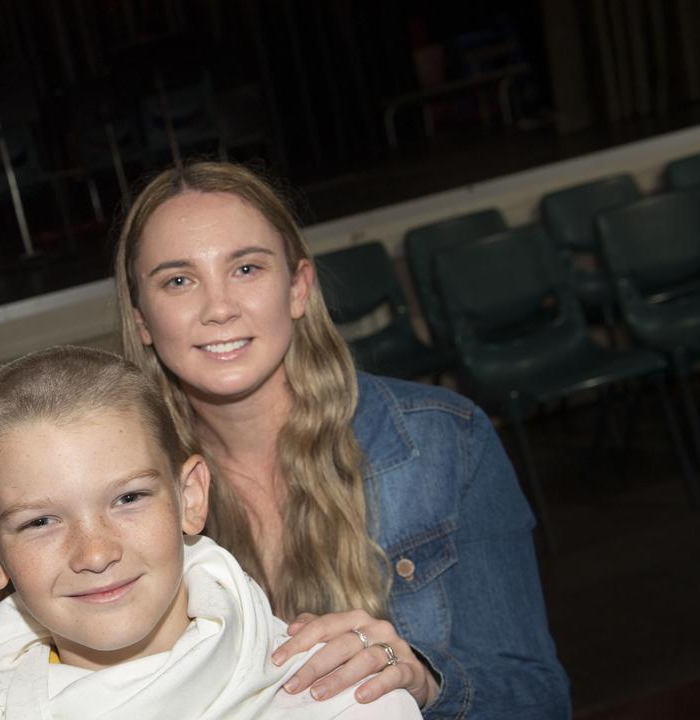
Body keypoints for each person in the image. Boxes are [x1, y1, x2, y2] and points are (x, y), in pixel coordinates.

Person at [112, 161, 571, 719]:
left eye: (247, 268)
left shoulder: (445, 440)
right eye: (179, 281)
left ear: (298, 288)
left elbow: (540, 701)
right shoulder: (118, 492)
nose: (219, 308)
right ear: (142, 321)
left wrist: (423, 681)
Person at [0, 345, 421, 719]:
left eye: (128, 499)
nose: (96, 552)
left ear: (189, 497)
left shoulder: (346, 700)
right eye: (40, 522)